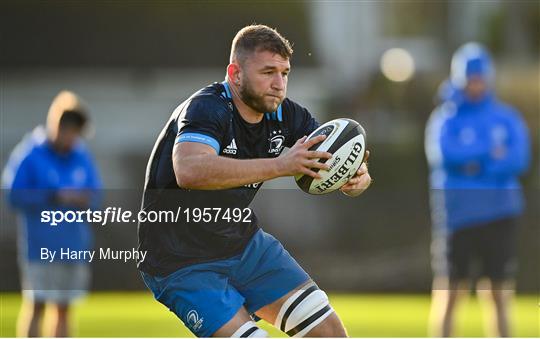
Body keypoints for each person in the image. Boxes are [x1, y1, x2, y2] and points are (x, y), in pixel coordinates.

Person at [137, 24, 372, 337]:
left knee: (329, 332)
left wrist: (355, 178)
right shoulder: (207, 108)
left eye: (285, 73)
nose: (279, 84)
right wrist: (281, 165)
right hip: (181, 262)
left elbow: (327, 157)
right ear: (235, 74)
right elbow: (190, 170)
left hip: (243, 245)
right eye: (268, 72)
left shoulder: (286, 115)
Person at [425, 43, 530, 337]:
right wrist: (490, 154)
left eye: (480, 78)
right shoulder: (444, 119)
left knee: (498, 293)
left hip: (500, 213)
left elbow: (518, 159)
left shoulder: (506, 117)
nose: (476, 85)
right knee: (450, 293)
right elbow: (448, 156)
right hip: (458, 217)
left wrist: (474, 163)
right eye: (470, 78)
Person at [2, 90, 102, 337]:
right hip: (40, 246)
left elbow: (96, 196)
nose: (73, 139)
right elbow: (13, 195)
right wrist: (53, 195)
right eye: (71, 132)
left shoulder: (81, 156)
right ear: (58, 126)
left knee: (64, 309)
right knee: (36, 304)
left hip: (73, 244)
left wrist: (82, 200)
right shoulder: (30, 154)